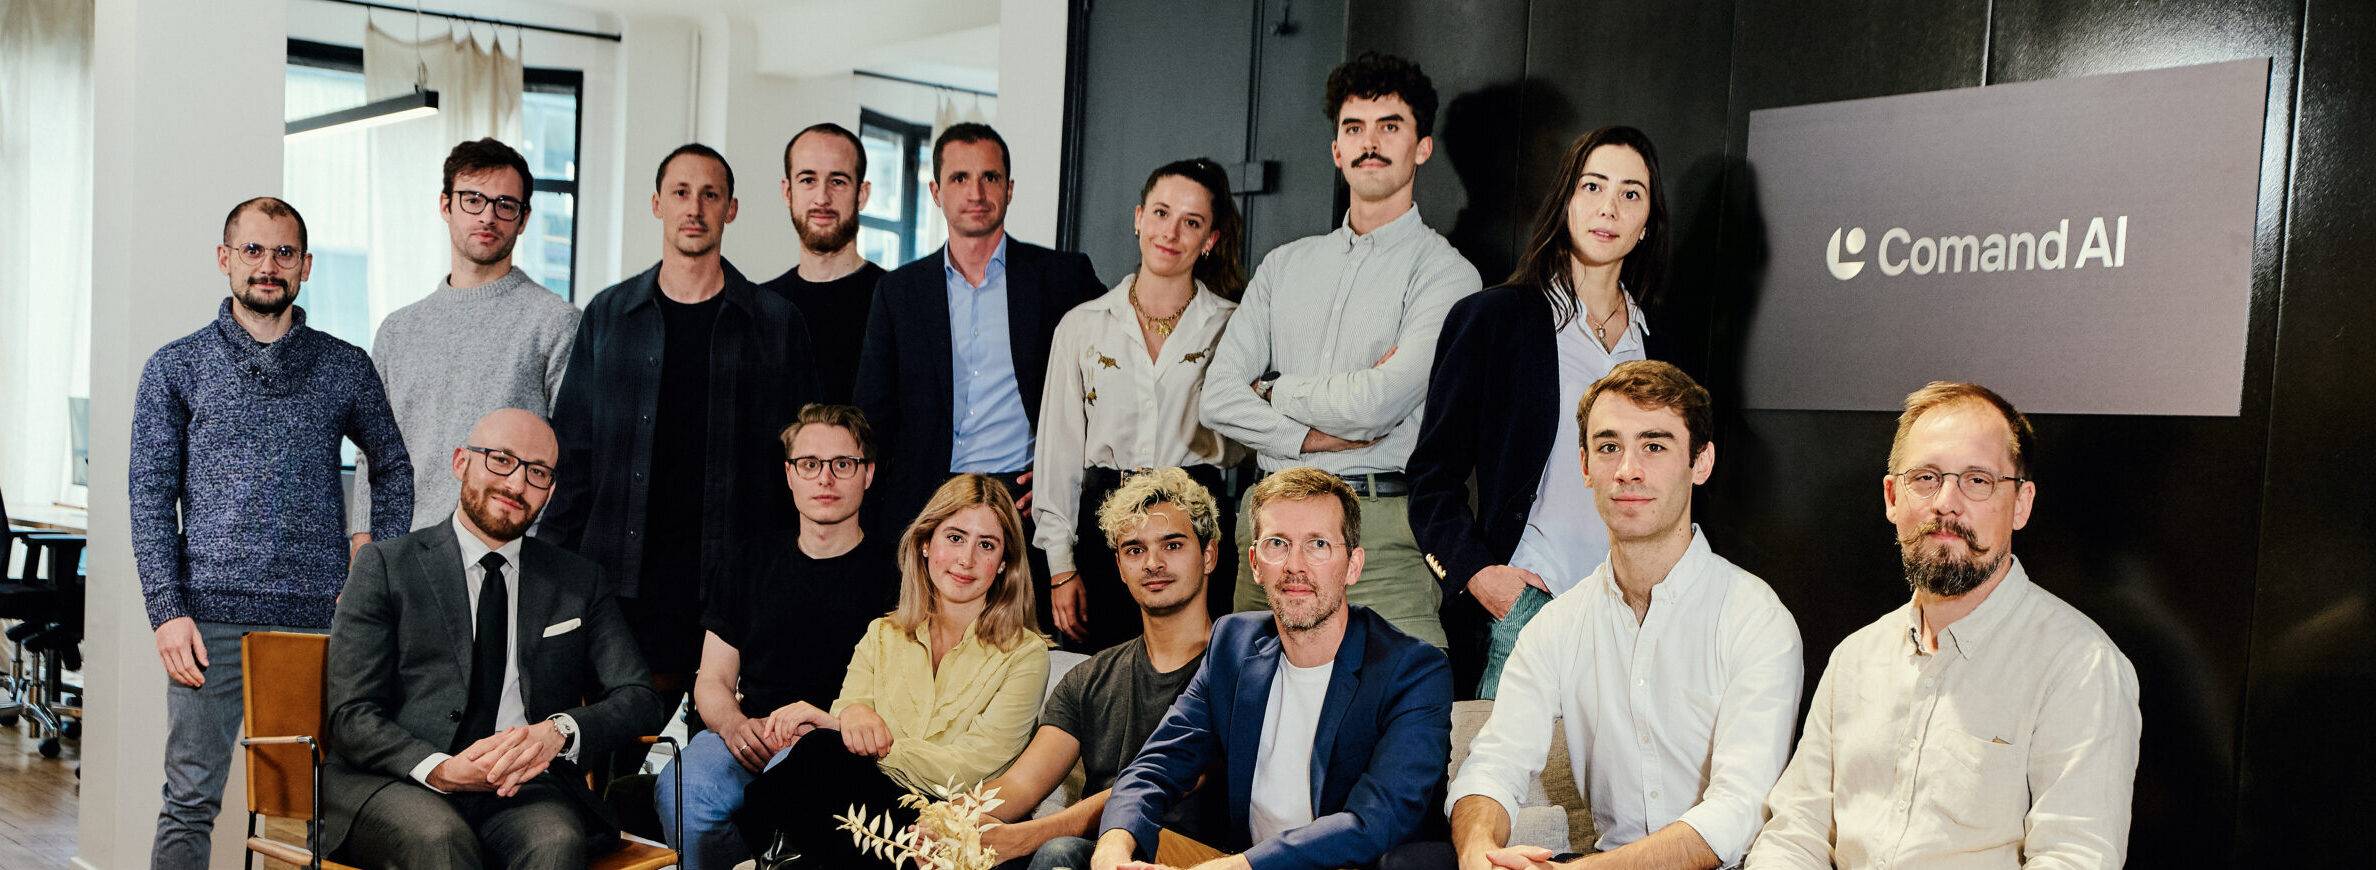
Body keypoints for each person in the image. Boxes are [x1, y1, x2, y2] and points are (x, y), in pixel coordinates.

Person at [1747, 382, 2142, 868]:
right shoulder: (1855, 658)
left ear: (2021, 504)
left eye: (1977, 480)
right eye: (1926, 478)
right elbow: (1794, 835)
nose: (1946, 503)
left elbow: (2075, 858)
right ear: (1892, 497)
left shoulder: (2080, 667)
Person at [132, 196, 414, 868]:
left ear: (306, 266)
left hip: (318, 622)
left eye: (284, 252)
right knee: (189, 800)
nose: (268, 265)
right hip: (206, 623)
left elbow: (394, 466)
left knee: (319, 803)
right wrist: (166, 611)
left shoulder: (343, 365)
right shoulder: (176, 366)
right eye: (253, 250)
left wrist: (372, 565)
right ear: (224, 258)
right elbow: (149, 495)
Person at [1433, 361, 1802, 870]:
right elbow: (1493, 764)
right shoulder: (1558, 626)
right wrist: (1479, 852)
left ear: (1701, 463)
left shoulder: (1755, 619)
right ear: (1585, 466)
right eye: (1609, 447)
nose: (1628, 469)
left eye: (1654, 446)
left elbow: (1736, 814)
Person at [1199, 52, 1481, 650]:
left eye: (1389, 126)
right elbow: (1217, 399)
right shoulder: (1283, 266)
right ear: (1336, 150)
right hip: (1270, 526)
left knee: (1405, 697)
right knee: (1253, 696)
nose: (1369, 143)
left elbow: (1378, 403)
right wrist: (1308, 438)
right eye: (1354, 128)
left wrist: (1273, 390)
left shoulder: (1448, 274)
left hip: (1378, 534)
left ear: (1422, 148)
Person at [539, 143, 821, 735]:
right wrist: (551, 573)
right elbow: (574, 458)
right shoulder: (609, 315)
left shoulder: (775, 323)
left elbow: (801, 462)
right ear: (657, 204)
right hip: (619, 580)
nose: (695, 208)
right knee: (614, 739)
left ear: (731, 209)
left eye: (710, 195)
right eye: (681, 193)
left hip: (733, 583)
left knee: (722, 743)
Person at [319, 408, 666, 868]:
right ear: (461, 462)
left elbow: (639, 697)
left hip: (521, 787)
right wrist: (442, 769)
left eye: (537, 472)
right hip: (398, 779)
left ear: (551, 491)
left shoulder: (579, 581)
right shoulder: (385, 566)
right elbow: (351, 714)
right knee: (440, 838)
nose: (517, 484)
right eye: (501, 460)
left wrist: (558, 732)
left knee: (556, 841)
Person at [1408, 126, 1676, 698]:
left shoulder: (1662, 343)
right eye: (1593, 186)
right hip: (1531, 605)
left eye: (1631, 193)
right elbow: (1432, 478)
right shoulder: (1493, 320)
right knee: (1501, 760)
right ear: (1565, 201)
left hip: (1638, 617)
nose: (1609, 208)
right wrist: (1478, 576)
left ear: (1647, 222)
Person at [1091, 467, 1455, 870]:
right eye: (1277, 544)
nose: (1294, 566)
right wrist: (1112, 848)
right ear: (1255, 563)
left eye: (1317, 544)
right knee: (1074, 853)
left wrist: (1239, 867)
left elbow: (1374, 821)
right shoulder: (1232, 645)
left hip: (1341, 867)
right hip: (1234, 862)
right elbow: (1155, 766)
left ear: (1353, 565)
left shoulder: (1413, 671)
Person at [734, 473, 1052, 868]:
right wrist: (849, 720)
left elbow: (971, 767)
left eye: (986, 545)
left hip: (947, 819)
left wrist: (866, 739)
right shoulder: (883, 634)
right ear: (925, 543)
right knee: (820, 760)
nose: (966, 560)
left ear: (1004, 563)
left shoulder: (1025, 655)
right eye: (955, 538)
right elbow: (848, 713)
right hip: (856, 801)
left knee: (818, 757)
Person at [853, 121, 1104, 601]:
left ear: (1009, 189)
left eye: (990, 177)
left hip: (1024, 504)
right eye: (960, 178)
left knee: (1023, 642)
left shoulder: (1062, 278)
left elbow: (1112, 383)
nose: (976, 192)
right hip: (928, 506)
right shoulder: (899, 292)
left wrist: (1063, 470)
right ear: (936, 192)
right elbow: (873, 415)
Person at [655, 404, 900, 870]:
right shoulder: (745, 562)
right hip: (751, 734)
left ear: (867, 474)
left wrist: (828, 731)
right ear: (790, 475)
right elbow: (713, 680)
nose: (825, 479)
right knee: (682, 787)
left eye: (842, 464)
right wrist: (734, 726)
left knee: (793, 785)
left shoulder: (900, 575)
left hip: (838, 746)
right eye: (809, 464)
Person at [1038, 158, 1248, 651]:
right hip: (1106, 525)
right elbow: (1058, 453)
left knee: (1197, 675)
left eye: (1191, 222)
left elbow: (1253, 438)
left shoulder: (1235, 326)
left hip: (1200, 521)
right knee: (1104, 673)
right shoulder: (1082, 326)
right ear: (1138, 218)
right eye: (1160, 213)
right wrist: (1060, 567)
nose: (1170, 232)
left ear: (1210, 239)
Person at [979, 467, 1229, 869]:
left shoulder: (1236, 667)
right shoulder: (1089, 678)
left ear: (1209, 555)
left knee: (1057, 851)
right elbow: (1020, 785)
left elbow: (1155, 784)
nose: (1153, 563)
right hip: (1095, 859)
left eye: (1172, 545)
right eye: (1135, 550)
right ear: (1120, 567)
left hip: (1195, 858)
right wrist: (949, 820)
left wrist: (1031, 836)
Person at [349, 137, 580, 550]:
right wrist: (364, 537)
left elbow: (572, 455)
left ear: (524, 219)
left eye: (505, 205)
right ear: (445, 205)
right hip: (404, 553)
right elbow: (374, 449)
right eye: (473, 200)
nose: (488, 216)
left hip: (507, 556)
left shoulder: (555, 322)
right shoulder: (398, 330)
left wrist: (541, 550)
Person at [761, 123, 886, 404]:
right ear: (787, 192)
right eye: (808, 180)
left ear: (862, 194)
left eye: (838, 181)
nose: (822, 198)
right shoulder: (761, 306)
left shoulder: (896, 301)